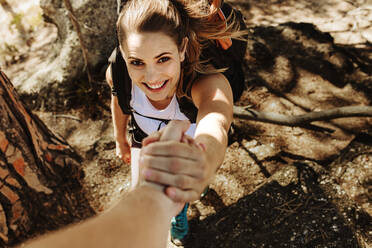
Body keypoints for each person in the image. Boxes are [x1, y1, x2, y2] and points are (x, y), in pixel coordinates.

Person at [106, 0, 247, 244]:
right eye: (137, 62)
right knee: (141, 197)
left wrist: (201, 162)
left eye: (163, 59)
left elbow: (216, 120)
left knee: (175, 190)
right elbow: (119, 102)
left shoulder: (204, 80)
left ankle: (179, 212)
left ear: (182, 49)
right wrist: (120, 139)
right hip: (144, 139)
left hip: (190, 145)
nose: (152, 78)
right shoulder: (118, 72)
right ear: (123, 54)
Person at [19, 121, 190, 248]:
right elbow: (119, 103)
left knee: (187, 181)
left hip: (186, 147)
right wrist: (120, 139)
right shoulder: (120, 77)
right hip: (146, 143)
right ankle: (178, 223)